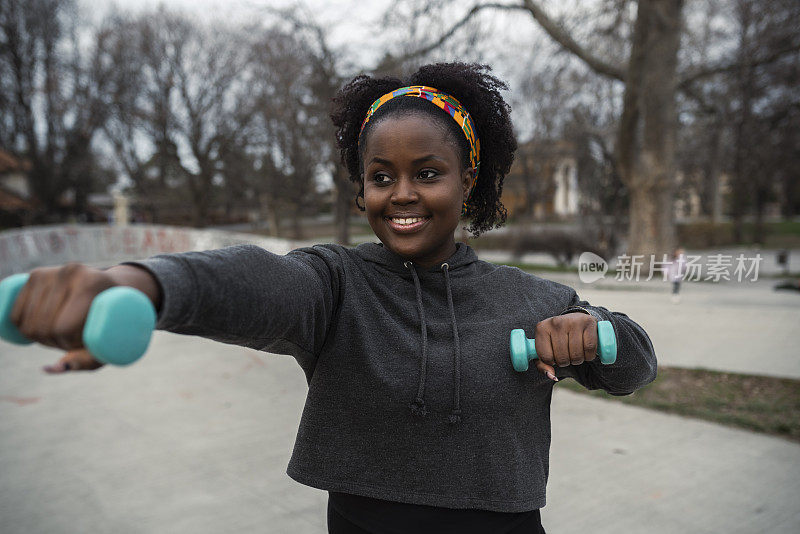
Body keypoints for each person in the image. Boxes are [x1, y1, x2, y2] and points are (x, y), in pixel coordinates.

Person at [9, 63, 657, 534]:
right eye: (381, 177)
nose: (401, 193)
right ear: (361, 192)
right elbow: (251, 279)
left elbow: (634, 366)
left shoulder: (530, 298)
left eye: (426, 173)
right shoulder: (334, 284)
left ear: (469, 182)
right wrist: (137, 286)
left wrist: (594, 326)